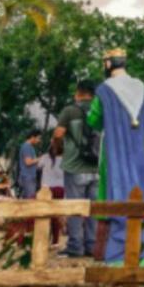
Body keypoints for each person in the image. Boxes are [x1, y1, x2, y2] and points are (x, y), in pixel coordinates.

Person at [87, 48, 144, 263]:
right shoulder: (141, 87)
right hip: (136, 151)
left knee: (112, 191)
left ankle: (114, 249)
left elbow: (93, 119)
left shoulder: (104, 90)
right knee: (140, 188)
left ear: (108, 64)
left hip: (114, 151)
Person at [52, 79, 99, 258]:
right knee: (93, 208)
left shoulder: (70, 110)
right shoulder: (101, 112)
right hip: (97, 168)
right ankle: (92, 246)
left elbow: (58, 133)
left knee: (75, 207)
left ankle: (75, 246)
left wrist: (57, 147)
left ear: (78, 93)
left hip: (75, 165)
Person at [37, 146, 65, 245]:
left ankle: (43, 238)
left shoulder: (45, 157)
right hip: (60, 188)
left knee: (44, 214)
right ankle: (55, 240)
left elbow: (38, 167)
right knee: (56, 215)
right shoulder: (66, 158)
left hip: (46, 189)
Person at [17, 128, 42, 199]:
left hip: (30, 177)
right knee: (30, 199)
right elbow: (28, 162)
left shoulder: (31, 147)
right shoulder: (26, 147)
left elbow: (33, 163)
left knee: (26, 200)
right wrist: (40, 158)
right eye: (38, 138)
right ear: (32, 137)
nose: (39, 140)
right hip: (27, 177)